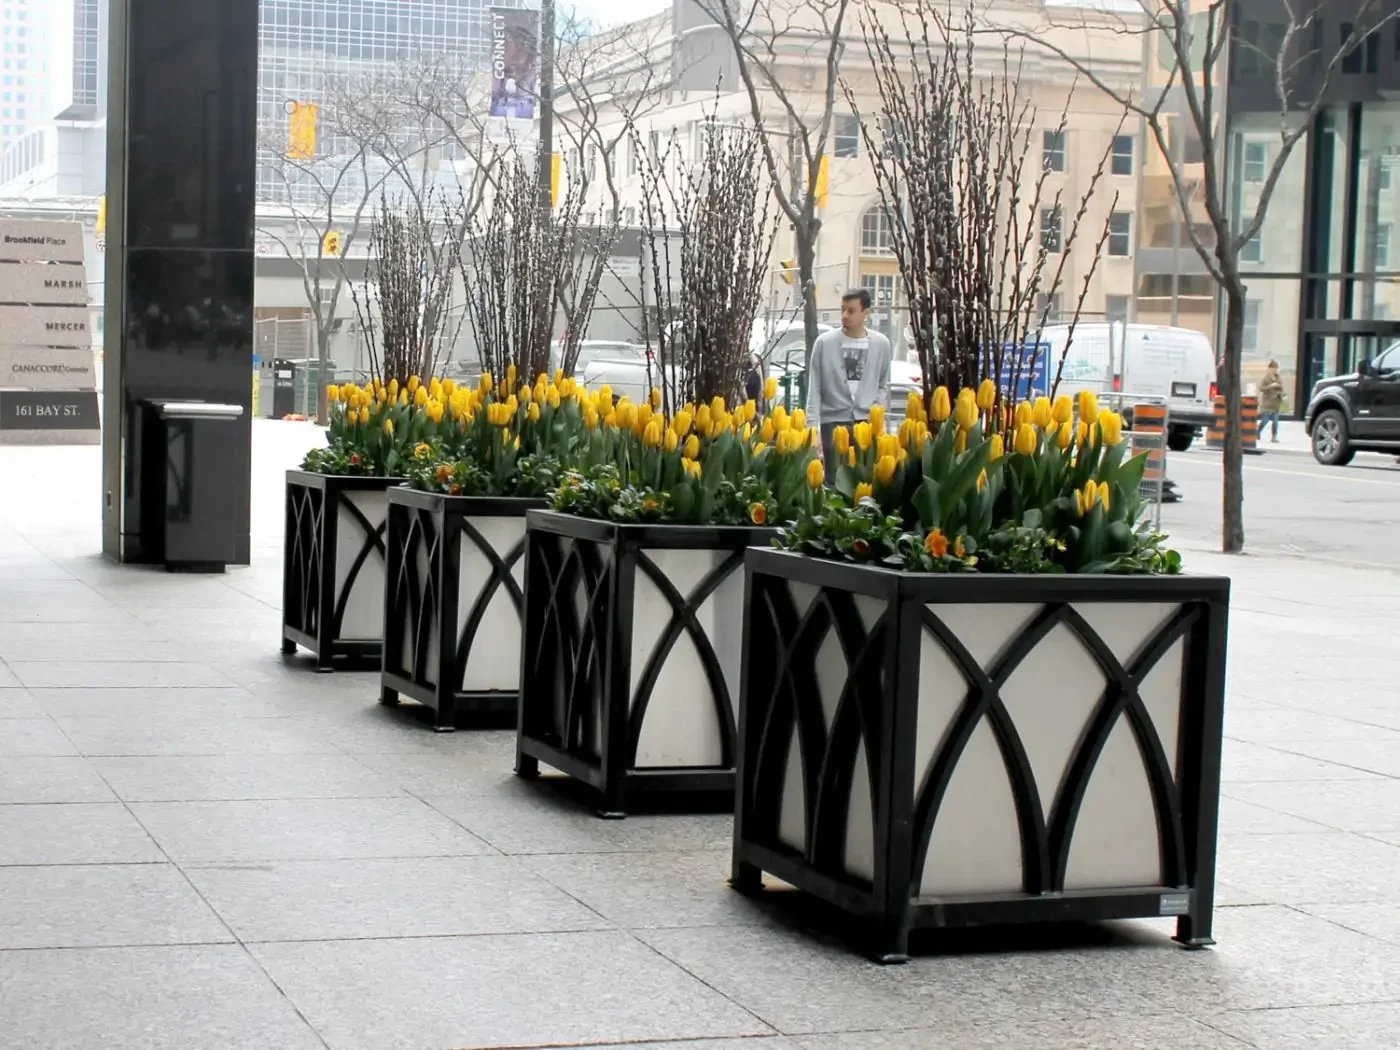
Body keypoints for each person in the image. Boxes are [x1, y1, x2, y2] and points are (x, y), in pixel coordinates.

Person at [806, 289, 893, 480]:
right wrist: (812, 428)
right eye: (842, 310)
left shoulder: (881, 344)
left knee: (864, 481)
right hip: (832, 422)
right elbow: (815, 389)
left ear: (866, 313)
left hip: (866, 423)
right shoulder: (824, 343)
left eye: (851, 311)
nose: (845, 316)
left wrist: (876, 416)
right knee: (833, 480)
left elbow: (884, 384)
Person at [1259, 359, 1284, 443]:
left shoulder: (1278, 377)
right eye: (1273, 368)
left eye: (1276, 368)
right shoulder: (1265, 378)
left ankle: (1274, 436)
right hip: (1267, 403)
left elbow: (1281, 387)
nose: (1275, 370)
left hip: (1276, 402)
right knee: (1265, 420)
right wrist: (1271, 386)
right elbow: (1261, 389)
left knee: (1275, 421)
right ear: (1269, 369)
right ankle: (1257, 431)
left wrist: (1279, 389)